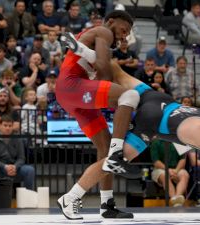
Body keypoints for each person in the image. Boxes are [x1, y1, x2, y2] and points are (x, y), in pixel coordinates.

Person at [56, 42, 200, 218]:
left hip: (158, 100)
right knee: (113, 160)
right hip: (154, 121)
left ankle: (86, 54)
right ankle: (70, 197)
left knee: (117, 71)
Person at [57, 10, 139, 220]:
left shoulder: (100, 38)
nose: (123, 36)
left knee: (103, 144)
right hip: (73, 86)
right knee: (129, 97)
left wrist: (85, 52)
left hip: (72, 94)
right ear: (111, 21)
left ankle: (106, 204)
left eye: (127, 34)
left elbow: (103, 72)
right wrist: (96, 60)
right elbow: (104, 72)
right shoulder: (104, 31)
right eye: (123, 30)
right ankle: (116, 154)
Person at [0, 115, 35, 190]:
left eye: (10, 126)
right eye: (5, 125)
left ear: (12, 127)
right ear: (0, 126)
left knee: (29, 170)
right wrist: (5, 167)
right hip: (0, 168)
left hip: (15, 168)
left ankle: (28, 195)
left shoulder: (18, 139)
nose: (7, 128)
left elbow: (21, 158)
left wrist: (14, 167)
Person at [150, 139, 189, 207]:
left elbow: (182, 160)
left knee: (184, 174)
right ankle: (174, 200)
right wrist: (168, 170)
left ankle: (177, 198)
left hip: (177, 168)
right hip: (161, 168)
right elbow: (156, 162)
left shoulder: (180, 142)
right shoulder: (156, 142)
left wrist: (176, 171)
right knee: (164, 176)